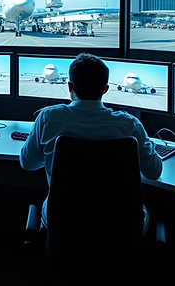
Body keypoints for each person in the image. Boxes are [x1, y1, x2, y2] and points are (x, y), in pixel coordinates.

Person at [20, 53, 163, 234]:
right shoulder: (129, 124)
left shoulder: (48, 118)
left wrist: (52, 156)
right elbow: (154, 172)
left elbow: (27, 163)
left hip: (64, 223)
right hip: (118, 226)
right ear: (105, 89)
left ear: (70, 86)